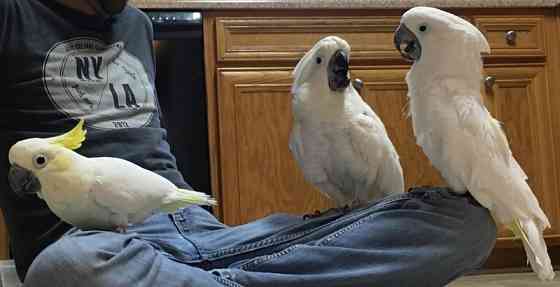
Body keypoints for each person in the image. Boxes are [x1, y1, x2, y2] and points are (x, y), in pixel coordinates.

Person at [0, 0, 497, 286]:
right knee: (67, 272)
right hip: (93, 243)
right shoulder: (12, 14)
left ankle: (219, 278)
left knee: (466, 221)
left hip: (201, 229)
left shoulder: (134, 24)